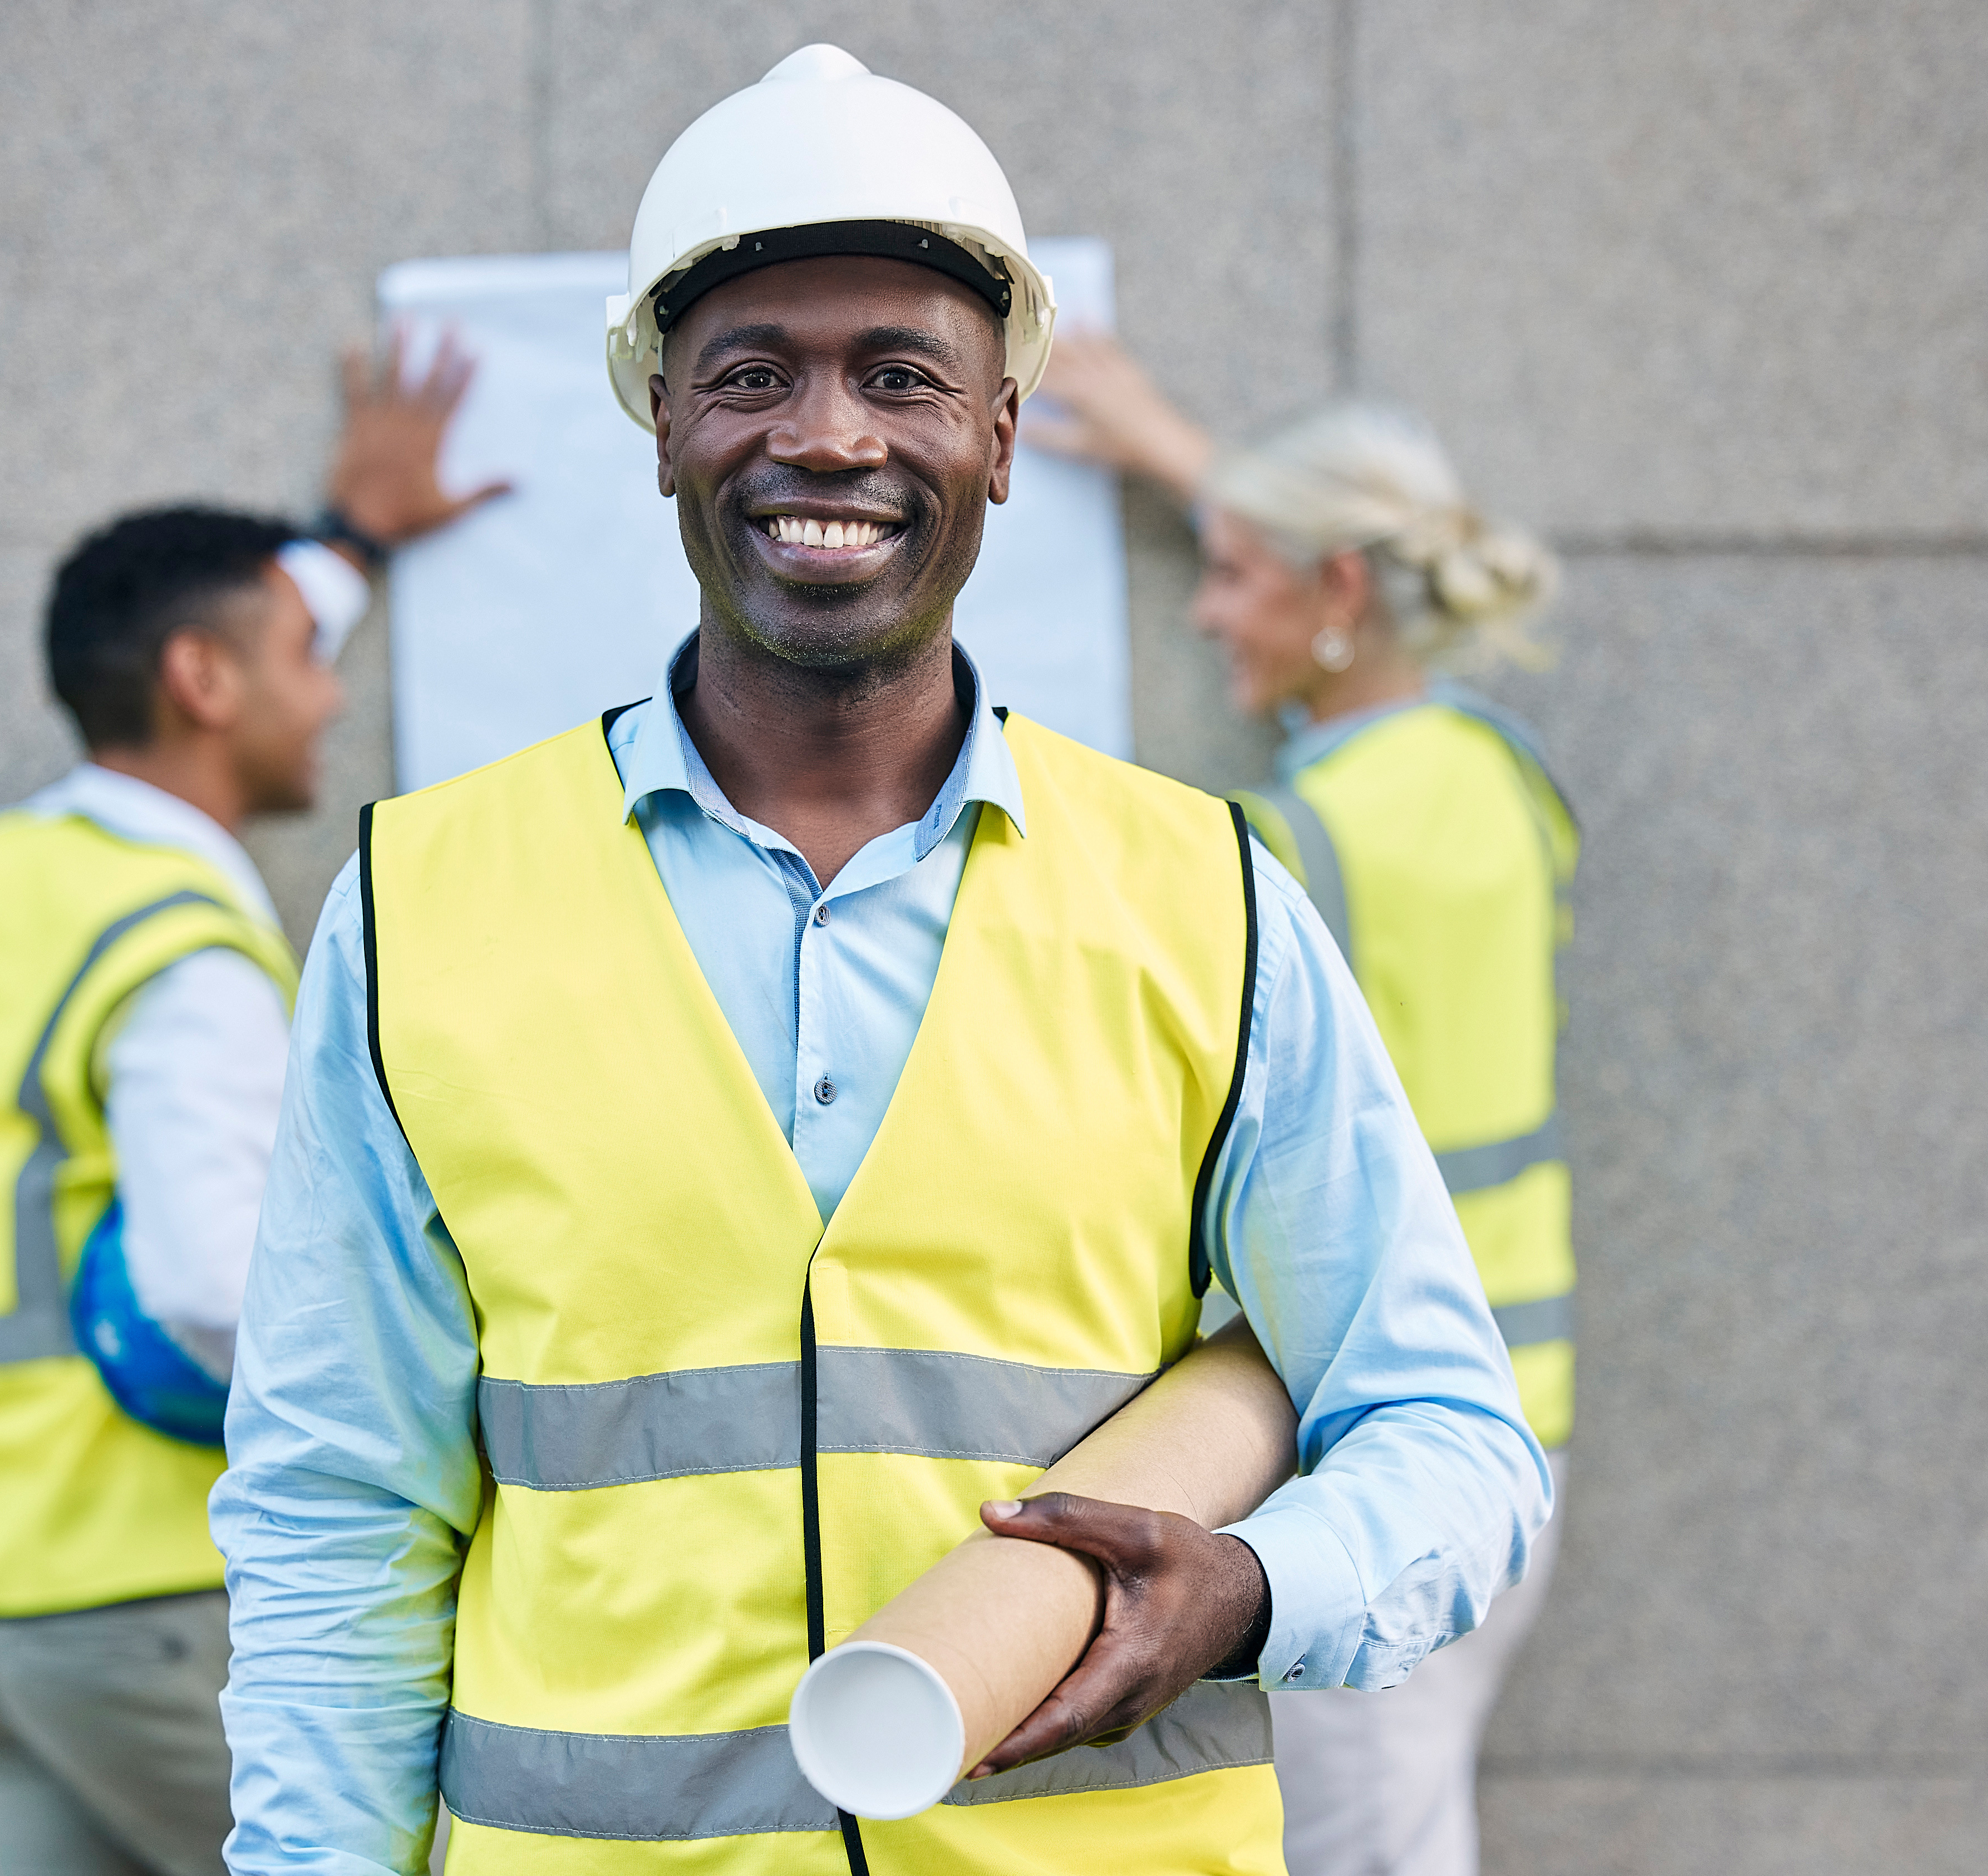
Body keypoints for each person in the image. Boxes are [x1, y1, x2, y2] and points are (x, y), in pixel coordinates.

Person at [213, 44, 1551, 1876]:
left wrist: (1252, 1584)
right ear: (663, 426)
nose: (825, 435)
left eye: (901, 376)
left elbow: (1447, 1427)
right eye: (751, 374)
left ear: (999, 437)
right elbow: (333, 1521)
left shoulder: (1205, 899)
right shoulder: (424, 904)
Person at [0, 326, 504, 1876]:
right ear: (202, 678)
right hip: (136, 1602)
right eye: (308, 657)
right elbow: (210, 1277)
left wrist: (341, 548)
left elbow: (217, 635)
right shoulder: (183, 954)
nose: (333, 701)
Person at [1030, 332, 1578, 1875]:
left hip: (1366, 1436)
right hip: (1510, 1424)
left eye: (1229, 571)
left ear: (1336, 588)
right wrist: (1185, 458)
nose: (1207, 609)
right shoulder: (1500, 778)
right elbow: (1350, 596)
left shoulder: (1282, 853)